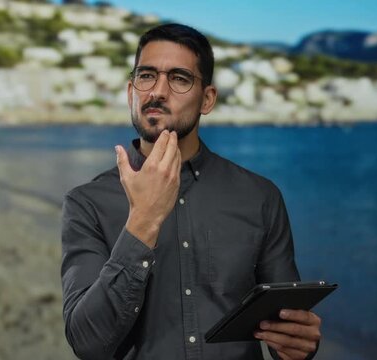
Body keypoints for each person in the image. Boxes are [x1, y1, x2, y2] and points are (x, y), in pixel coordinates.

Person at [61, 24, 322, 360]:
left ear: (208, 99)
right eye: (146, 76)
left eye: (180, 78)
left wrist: (300, 344)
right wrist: (144, 221)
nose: (157, 91)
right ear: (131, 93)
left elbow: (284, 329)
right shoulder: (86, 203)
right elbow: (87, 343)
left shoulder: (260, 197)